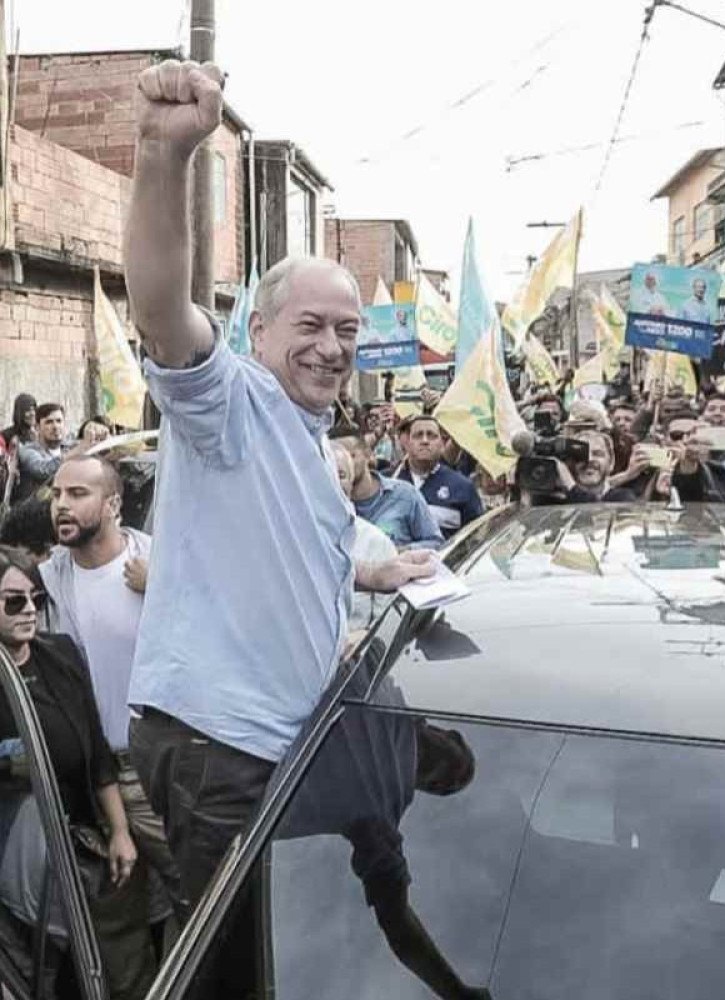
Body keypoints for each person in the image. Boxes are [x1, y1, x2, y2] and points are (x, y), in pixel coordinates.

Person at [121, 58, 433, 949]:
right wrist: (162, 155)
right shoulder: (231, 406)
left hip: (289, 750)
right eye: (310, 326)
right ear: (256, 334)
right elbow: (160, 304)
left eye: (347, 331)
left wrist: (378, 566)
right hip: (220, 755)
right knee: (227, 966)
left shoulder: (307, 446)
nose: (333, 348)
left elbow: (301, 558)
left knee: (322, 938)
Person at [0, 545, 151, 1000]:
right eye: (13, 601)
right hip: (17, 860)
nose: (29, 610)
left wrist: (120, 830)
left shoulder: (59, 655)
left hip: (80, 841)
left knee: (111, 952)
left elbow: (96, 751)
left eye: (36, 599)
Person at [39, 456, 183, 921]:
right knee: (121, 928)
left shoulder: (162, 565)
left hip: (157, 772)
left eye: (78, 494)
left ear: (113, 504)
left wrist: (163, 586)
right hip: (89, 784)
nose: (62, 505)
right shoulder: (43, 585)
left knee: (198, 903)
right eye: (57, 494)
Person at [323, 440, 399, 635]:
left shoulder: (376, 543)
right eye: (325, 473)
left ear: (351, 483)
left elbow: (388, 625)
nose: (334, 482)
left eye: (341, 475)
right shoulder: (289, 543)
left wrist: (362, 639)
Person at [333, 427, 443, 549]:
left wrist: (399, 553)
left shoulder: (404, 495)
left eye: (351, 456)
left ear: (368, 454)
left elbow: (436, 543)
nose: (344, 465)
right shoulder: (329, 506)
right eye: (335, 460)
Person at [396, 416, 483, 540]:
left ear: (442, 443)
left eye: (431, 435)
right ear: (407, 443)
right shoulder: (389, 482)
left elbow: (476, 538)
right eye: (418, 435)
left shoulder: (462, 487)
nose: (425, 441)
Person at [13, 404, 79, 503]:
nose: (55, 426)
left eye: (59, 421)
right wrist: (74, 454)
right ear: (37, 427)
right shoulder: (27, 450)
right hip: (36, 511)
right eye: (49, 422)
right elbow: (42, 470)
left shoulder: (71, 446)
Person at [553, 430, 635, 504]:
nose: (589, 459)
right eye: (581, 454)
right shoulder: (556, 500)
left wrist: (571, 487)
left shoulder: (623, 498)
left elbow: (596, 511)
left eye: (597, 454)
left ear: (611, 463)